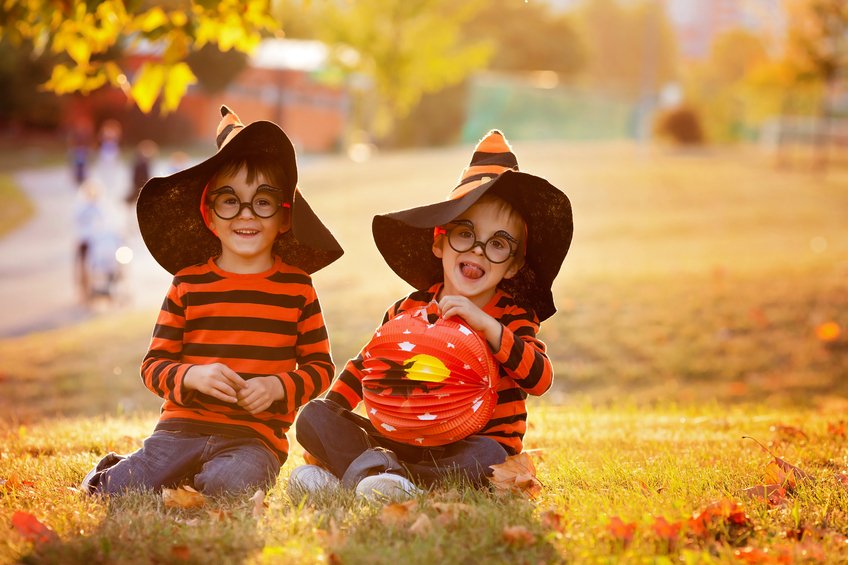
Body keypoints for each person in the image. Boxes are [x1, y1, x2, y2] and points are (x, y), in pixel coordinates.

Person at [289, 130, 573, 501]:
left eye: (498, 243)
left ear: (514, 265)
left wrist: (486, 325)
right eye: (464, 234)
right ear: (439, 241)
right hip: (401, 437)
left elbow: (540, 378)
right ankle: (379, 474)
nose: (478, 251)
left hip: (469, 447)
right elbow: (367, 367)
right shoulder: (407, 310)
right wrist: (332, 422)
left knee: (488, 457)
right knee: (314, 416)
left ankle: (375, 475)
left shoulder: (513, 315)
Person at [81, 106, 344, 496]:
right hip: (181, 427)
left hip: (253, 439)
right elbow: (153, 366)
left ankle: (193, 477)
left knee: (231, 486)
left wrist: (278, 386)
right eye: (229, 201)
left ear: (284, 217)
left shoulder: (297, 287)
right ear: (209, 214)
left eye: (263, 201)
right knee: (123, 489)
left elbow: (321, 367)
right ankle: (112, 471)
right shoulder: (188, 284)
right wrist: (191, 376)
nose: (245, 214)